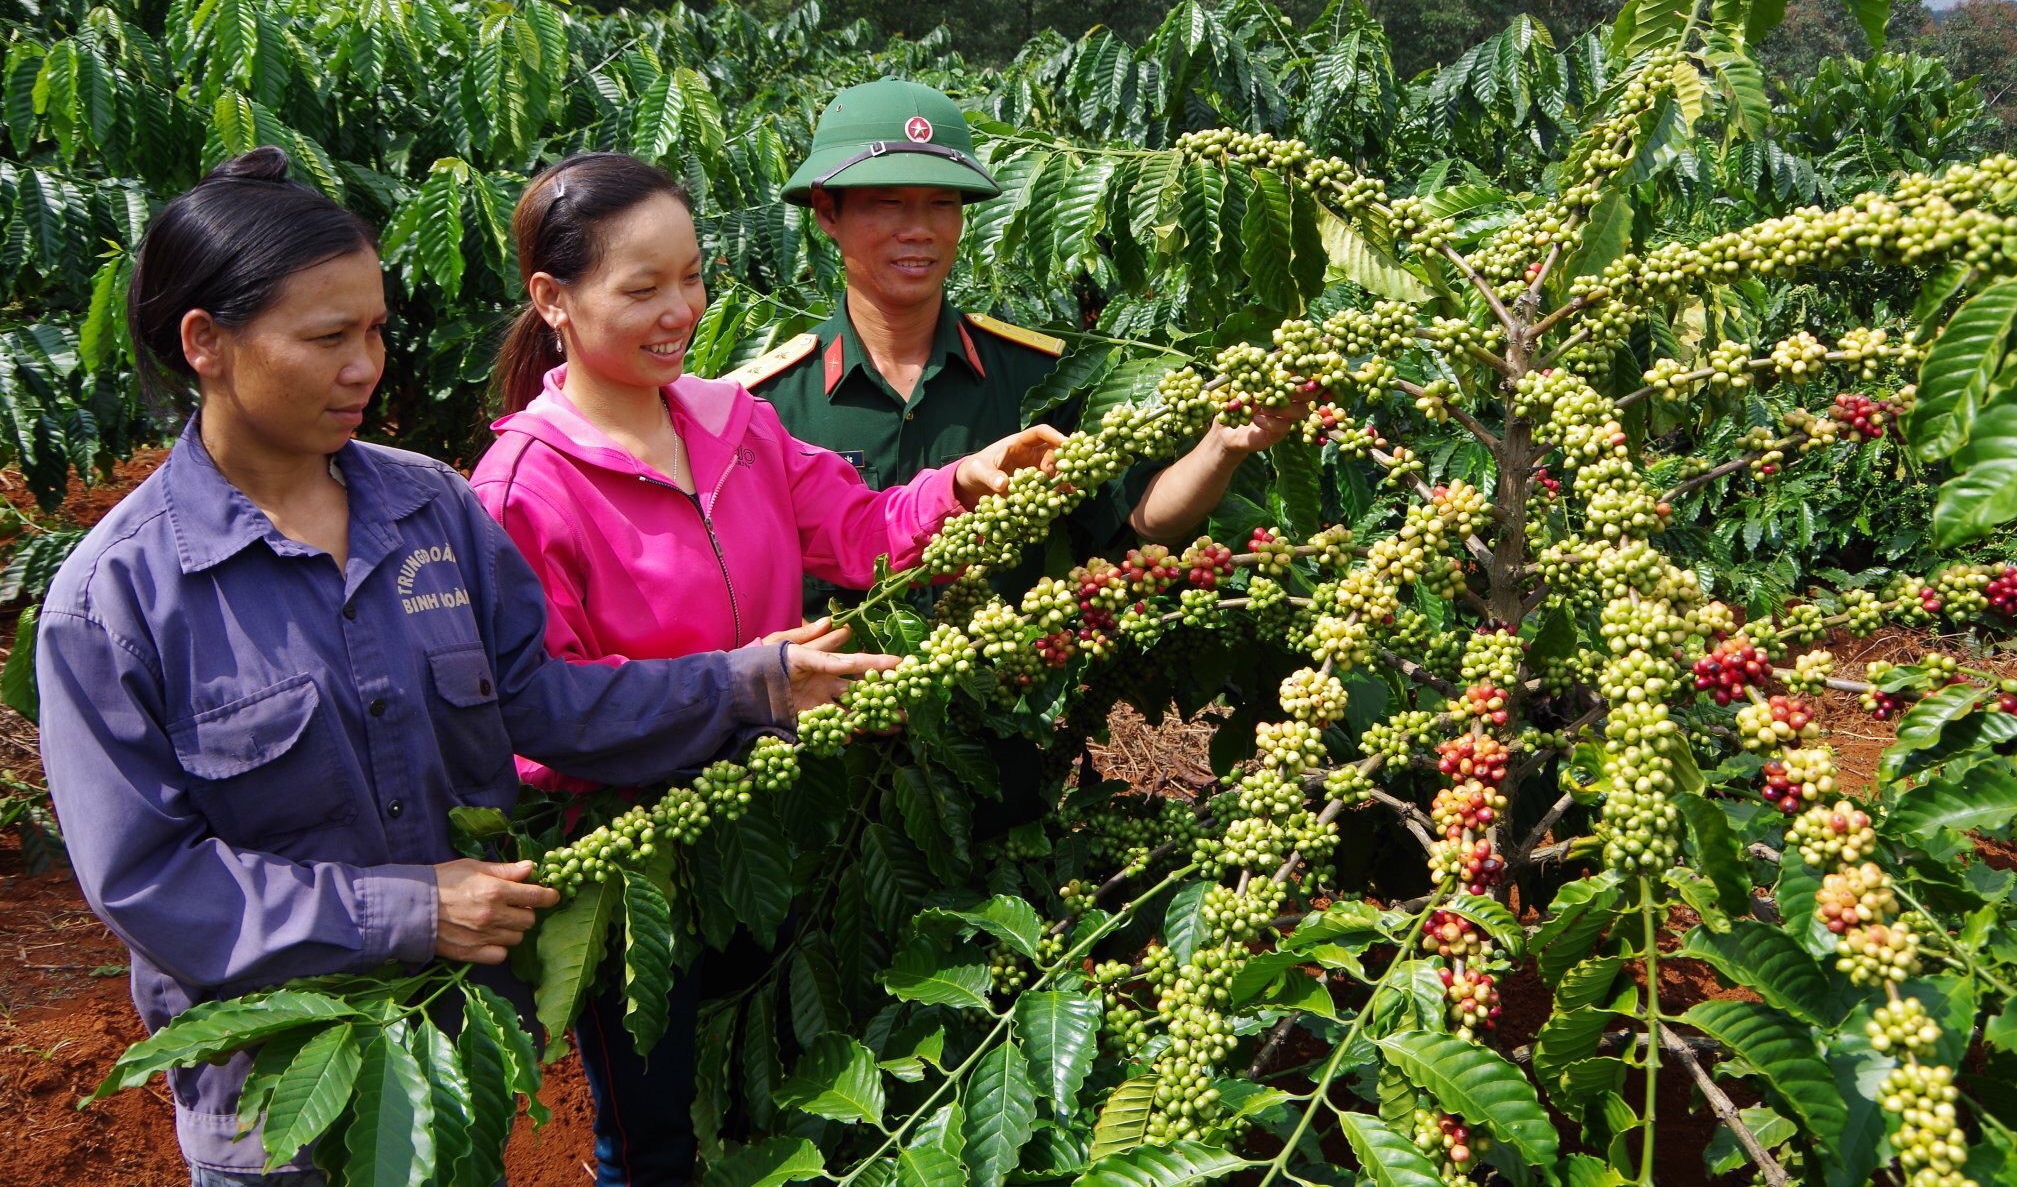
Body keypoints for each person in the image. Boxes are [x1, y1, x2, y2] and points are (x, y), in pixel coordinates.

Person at [34, 148, 892, 1186]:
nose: (366, 369)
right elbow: (149, 879)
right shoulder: (118, 598)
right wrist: (409, 909)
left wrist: (744, 683)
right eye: (327, 339)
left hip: (459, 1051)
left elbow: (545, 704)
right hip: (280, 1105)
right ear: (206, 343)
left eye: (375, 332)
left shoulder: (429, 511)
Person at [470, 150, 1062, 1187]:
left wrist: (961, 484)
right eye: (640, 288)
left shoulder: (734, 424)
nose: (677, 311)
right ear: (552, 301)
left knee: (774, 1089)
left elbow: (856, 530)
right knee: (648, 1137)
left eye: (690, 278)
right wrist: (750, 684)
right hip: (628, 860)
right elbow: (543, 711)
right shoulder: (523, 486)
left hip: (777, 819)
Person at [736, 79, 1305, 603]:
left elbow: (1140, 514)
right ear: (827, 212)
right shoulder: (767, 403)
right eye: (887, 203)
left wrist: (1222, 446)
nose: (920, 229)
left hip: (1005, 696)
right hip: (826, 708)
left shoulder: (1036, 375)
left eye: (943, 203)